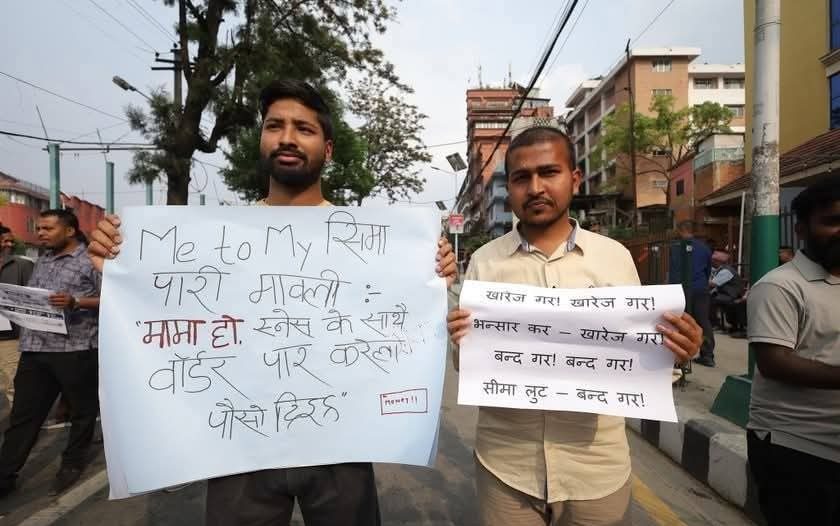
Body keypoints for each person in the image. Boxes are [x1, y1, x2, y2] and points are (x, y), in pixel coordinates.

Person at [87, 79, 458, 526]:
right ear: (261, 140)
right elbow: (167, 311)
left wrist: (433, 270)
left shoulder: (379, 245)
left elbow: (405, 320)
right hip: (240, 447)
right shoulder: (211, 240)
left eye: (304, 128)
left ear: (328, 149)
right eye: (274, 126)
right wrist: (120, 265)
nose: (287, 138)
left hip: (344, 442)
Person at [446, 127, 703, 526]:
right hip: (506, 468)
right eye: (521, 177)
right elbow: (468, 364)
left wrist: (680, 350)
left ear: (575, 178)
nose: (535, 188)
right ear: (509, 188)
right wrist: (461, 340)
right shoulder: (484, 262)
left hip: (596, 470)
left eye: (549, 172)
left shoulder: (614, 257)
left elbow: (640, 358)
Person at [746, 178, 840, 526]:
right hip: (797, 446)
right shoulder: (780, 286)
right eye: (832, 222)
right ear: (801, 229)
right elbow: (775, 363)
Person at [0, 210, 101, 498]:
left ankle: (72, 463)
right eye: (39, 228)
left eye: (48, 228)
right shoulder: (42, 260)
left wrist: (76, 301)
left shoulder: (92, 260)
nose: (40, 233)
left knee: (82, 412)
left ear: (69, 231)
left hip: (76, 349)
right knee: (24, 415)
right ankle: (5, 475)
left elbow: (113, 298)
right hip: (34, 348)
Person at [668, 220, 715, 366]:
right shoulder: (704, 248)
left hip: (680, 289)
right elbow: (708, 269)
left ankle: (679, 355)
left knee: (680, 320)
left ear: (680, 230)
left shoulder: (675, 248)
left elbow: (673, 269)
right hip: (700, 287)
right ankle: (707, 355)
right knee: (703, 321)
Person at [0, 225, 34, 340]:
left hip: (13, 337)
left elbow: (33, 300)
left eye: (11, 241)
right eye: (5, 241)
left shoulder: (24, 265)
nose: (10, 245)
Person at [709, 250, 745, 333]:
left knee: (709, 300)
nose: (711, 262)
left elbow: (713, 284)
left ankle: (715, 324)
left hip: (731, 296)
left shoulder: (726, 271)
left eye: (713, 260)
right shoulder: (719, 269)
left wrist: (700, 280)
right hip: (726, 295)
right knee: (709, 298)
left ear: (718, 262)